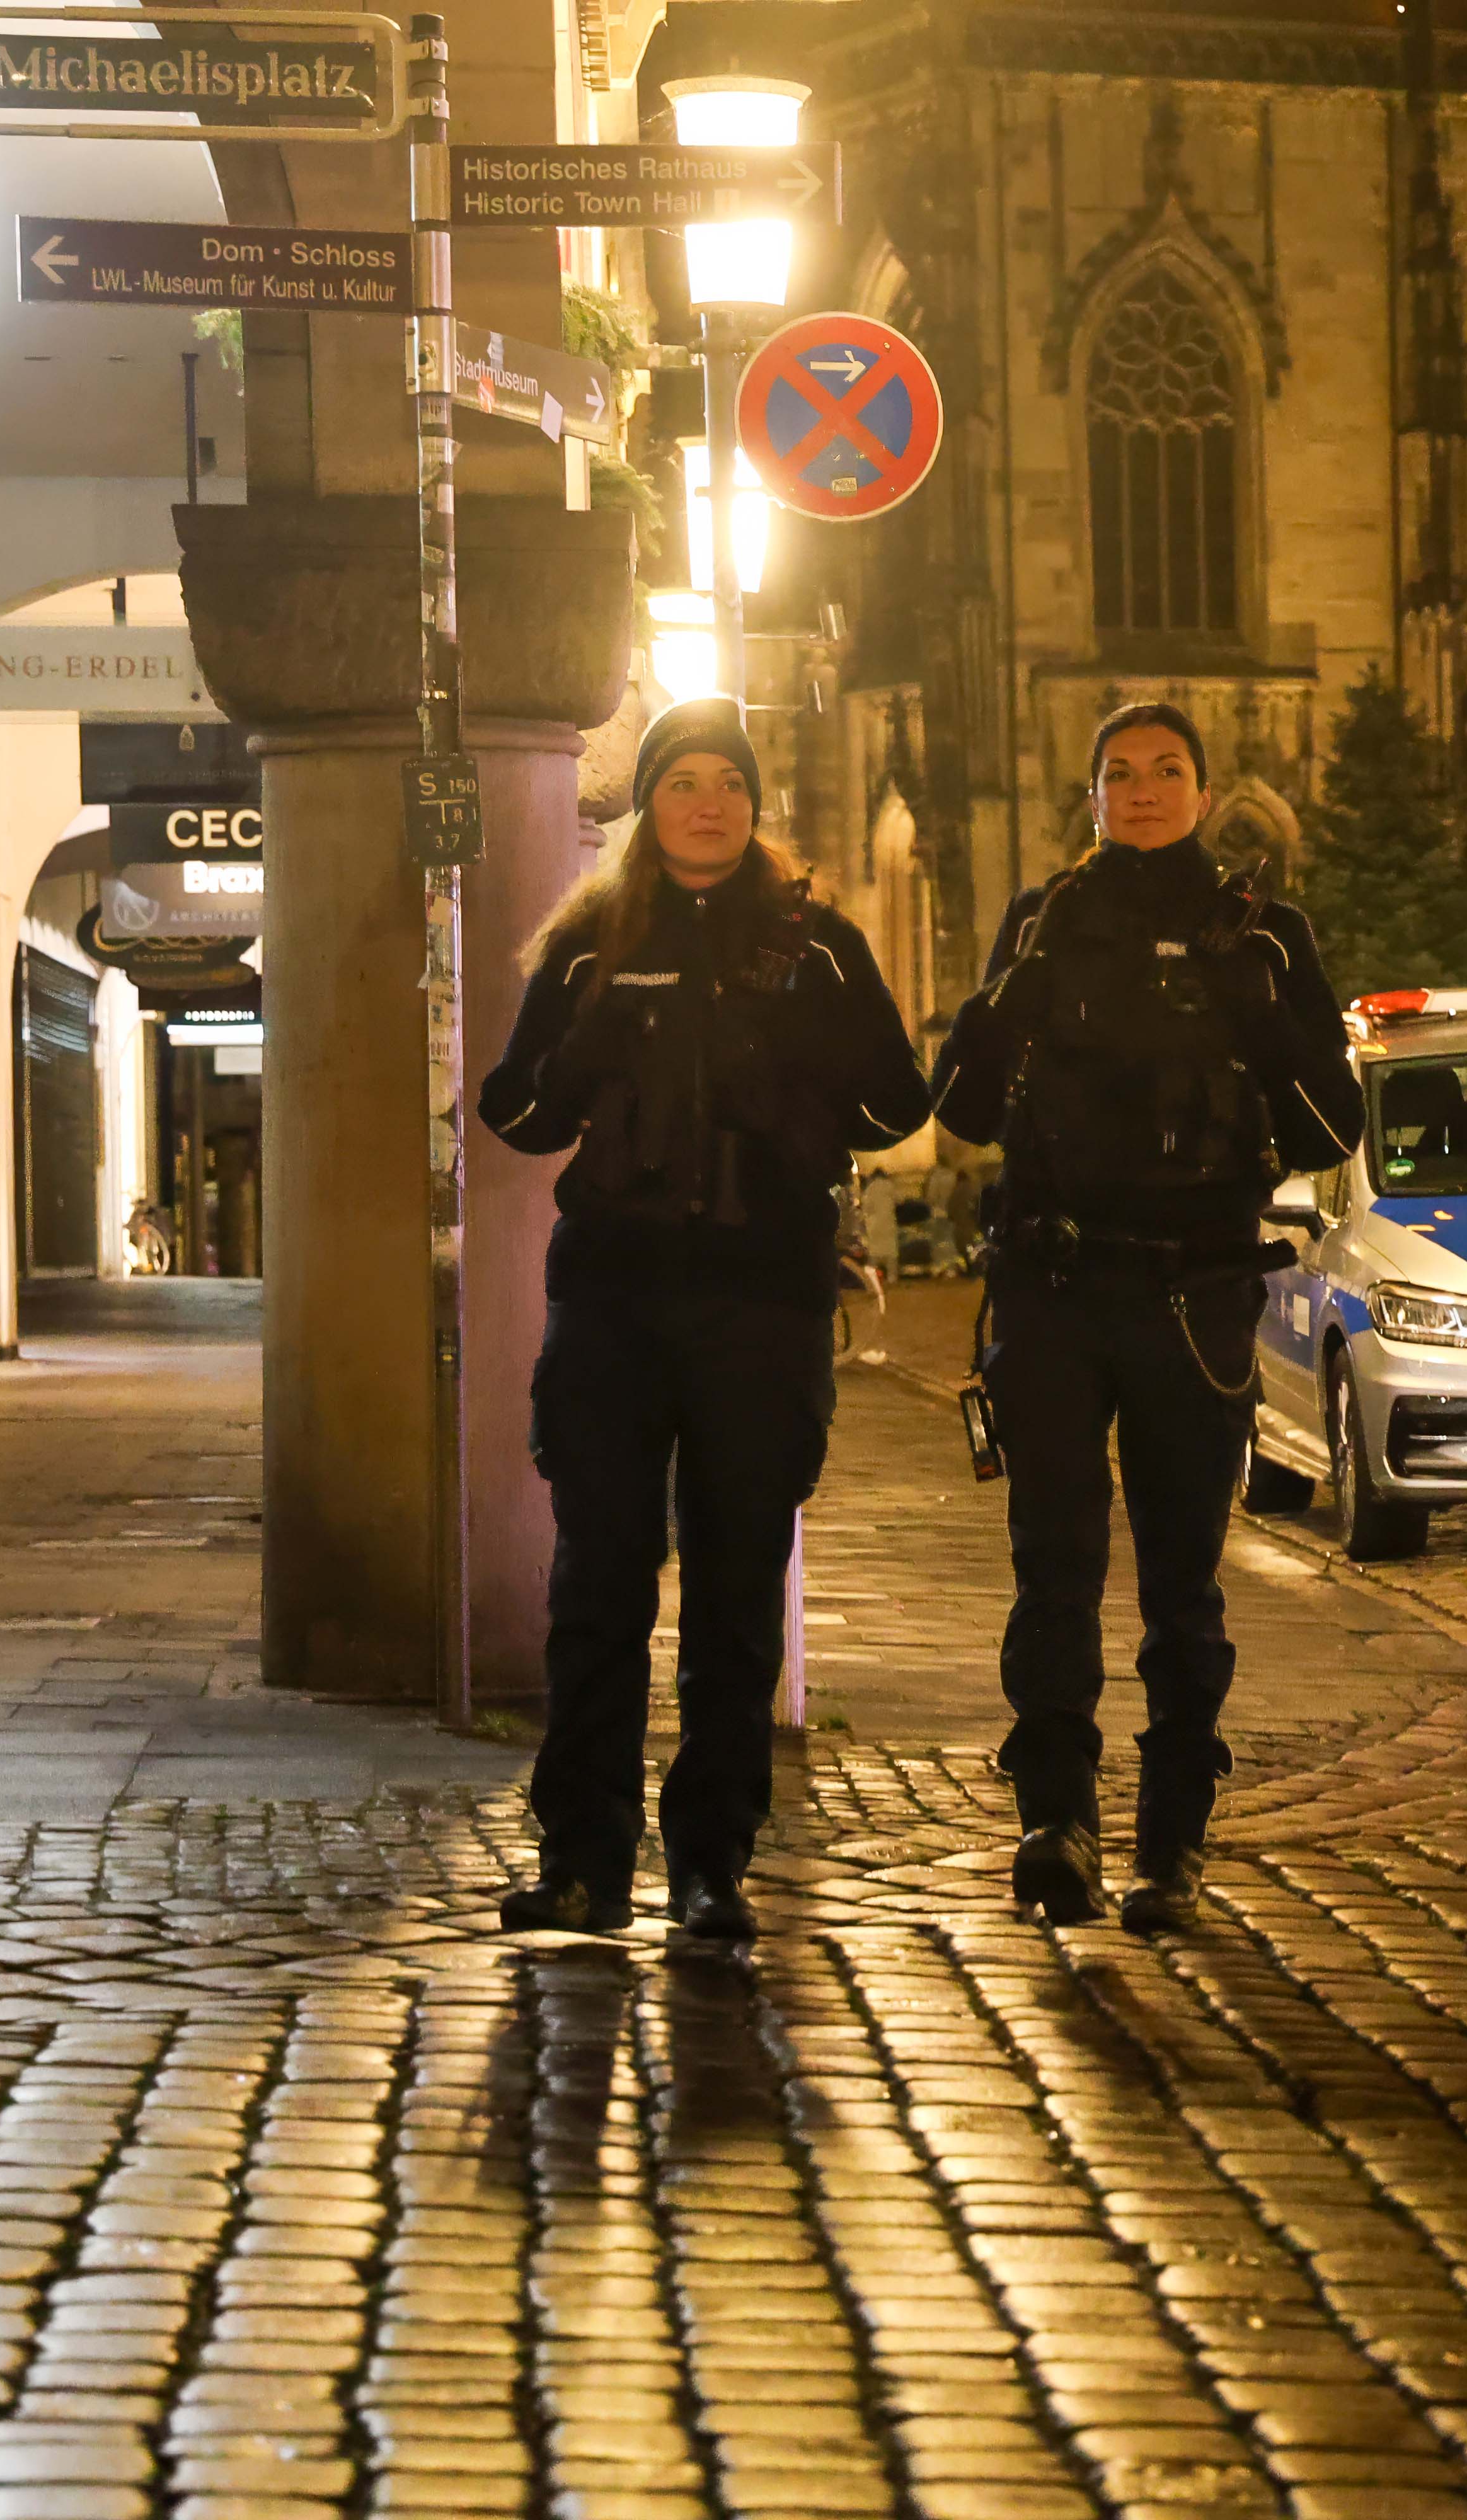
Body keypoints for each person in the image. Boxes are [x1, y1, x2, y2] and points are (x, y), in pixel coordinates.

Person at [477, 696, 933, 1943]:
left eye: (729, 782)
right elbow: (515, 1113)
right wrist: (585, 1051)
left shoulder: (818, 943)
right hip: (615, 1302)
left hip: (760, 1302)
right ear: (649, 805)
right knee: (598, 1589)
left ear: (754, 804)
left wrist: (799, 1085)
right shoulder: (588, 943)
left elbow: (899, 1103)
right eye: (684, 780)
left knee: (736, 1597)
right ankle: (582, 1860)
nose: (709, 802)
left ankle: (710, 1865)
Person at [931, 701, 1360, 1935]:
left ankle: (1172, 1842)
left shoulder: (1266, 931)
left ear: (1204, 792)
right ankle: (1056, 1820)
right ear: (1093, 796)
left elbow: (1331, 1128)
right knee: (1054, 1567)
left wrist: (1260, 1012)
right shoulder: (1045, 917)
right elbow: (961, 1105)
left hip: (1192, 1294)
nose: (1145, 788)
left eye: (1169, 769)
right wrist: (1013, 992)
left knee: (1182, 1582)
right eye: (1121, 772)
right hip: (1055, 1290)